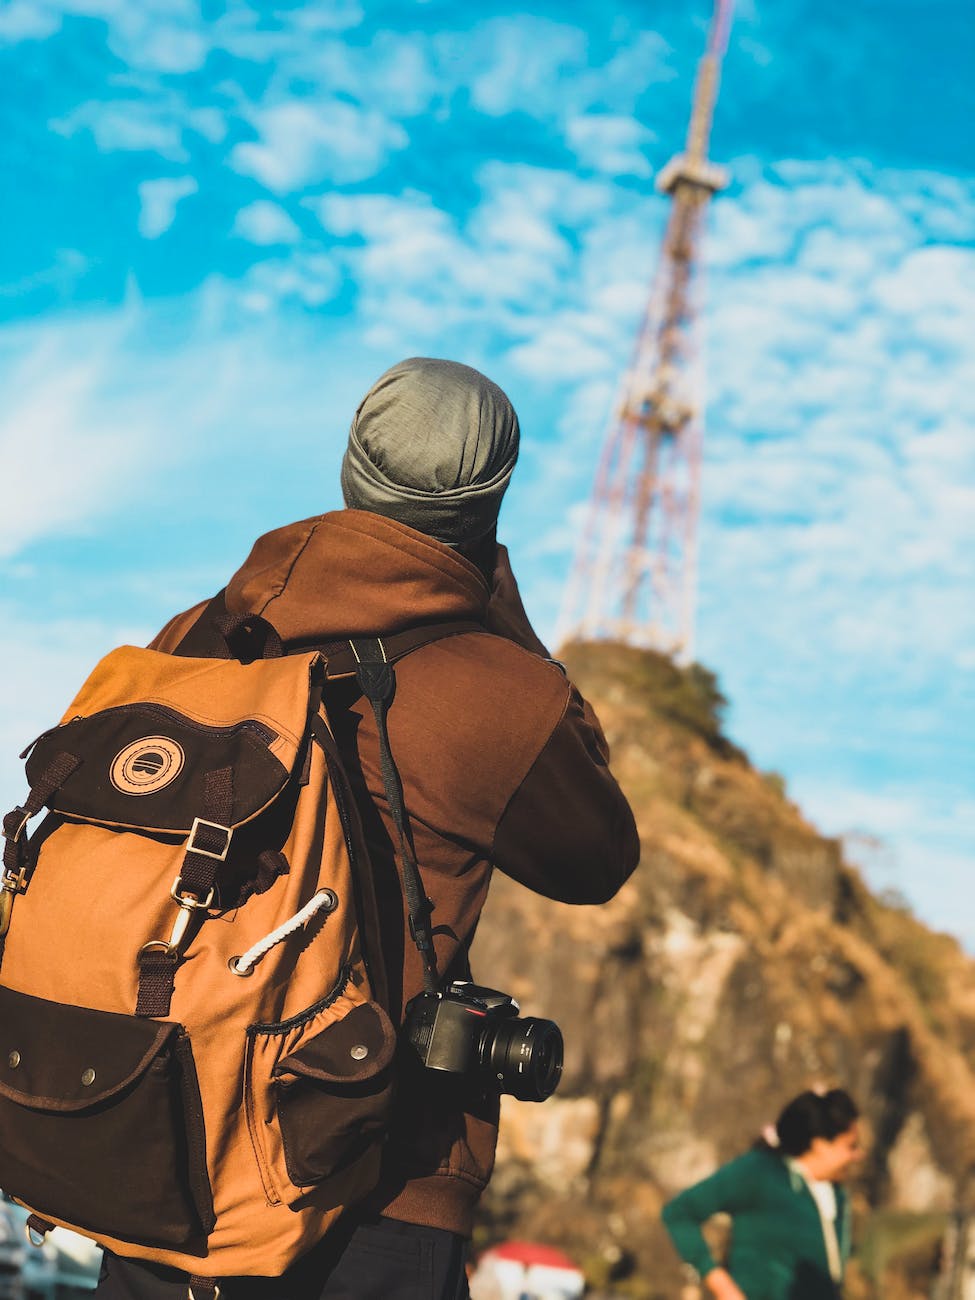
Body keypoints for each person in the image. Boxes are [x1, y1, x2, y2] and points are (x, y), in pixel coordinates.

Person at [94, 357, 640, 1300]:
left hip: (163, 1152)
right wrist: (509, 621)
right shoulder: (492, 689)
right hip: (369, 1190)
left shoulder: (194, 636)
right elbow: (598, 858)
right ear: (489, 504)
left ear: (350, 468)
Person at [662, 1089, 864, 1300]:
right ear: (820, 1145)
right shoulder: (761, 1171)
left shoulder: (837, 1196)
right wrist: (722, 1286)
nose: (858, 1155)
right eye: (851, 1146)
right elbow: (679, 1213)